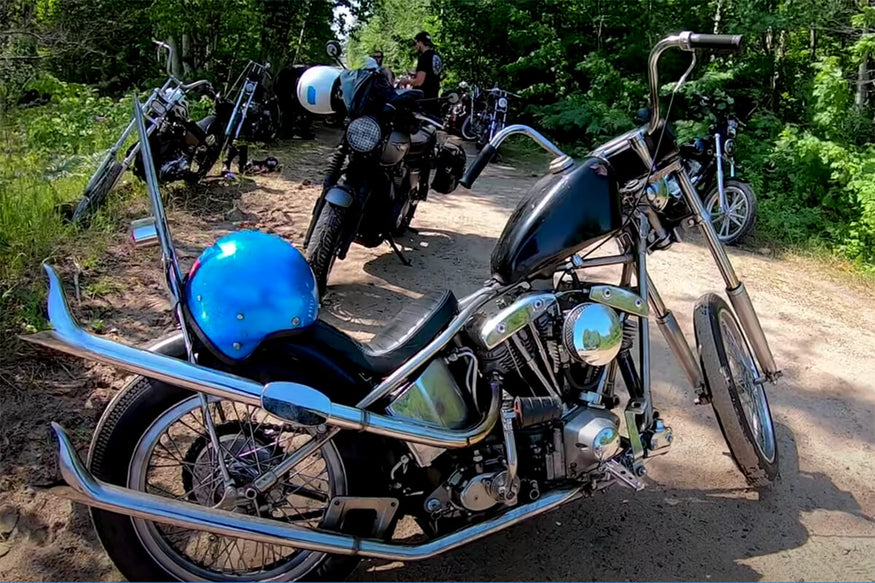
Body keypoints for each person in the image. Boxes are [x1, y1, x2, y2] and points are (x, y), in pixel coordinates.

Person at [399, 31, 443, 115]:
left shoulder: (424, 58)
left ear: (420, 42)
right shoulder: (437, 57)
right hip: (434, 97)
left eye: (415, 43)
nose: (415, 46)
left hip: (423, 99)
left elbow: (419, 82)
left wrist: (406, 81)